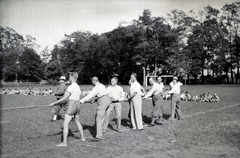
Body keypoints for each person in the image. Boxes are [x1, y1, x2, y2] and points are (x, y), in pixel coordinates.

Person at [49, 72, 85, 147]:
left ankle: (64, 143)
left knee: (65, 124)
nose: (68, 78)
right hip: (77, 105)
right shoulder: (78, 86)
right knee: (77, 122)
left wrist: (54, 103)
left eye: (69, 76)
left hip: (72, 105)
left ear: (72, 77)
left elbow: (64, 98)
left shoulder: (71, 87)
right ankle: (83, 137)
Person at [80, 77, 111, 142]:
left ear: (94, 81)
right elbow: (101, 94)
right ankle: (102, 130)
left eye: (92, 82)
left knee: (99, 118)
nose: (92, 83)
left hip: (103, 101)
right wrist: (95, 99)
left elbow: (90, 95)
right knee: (101, 117)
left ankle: (99, 137)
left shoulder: (96, 87)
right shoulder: (102, 85)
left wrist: (82, 100)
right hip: (107, 100)